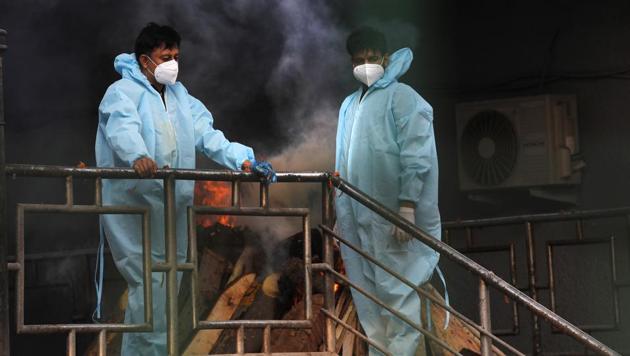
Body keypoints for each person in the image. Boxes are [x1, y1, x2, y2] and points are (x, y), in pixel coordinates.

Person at [95, 23, 275, 355]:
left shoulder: (180, 96)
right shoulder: (122, 93)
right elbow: (122, 128)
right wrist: (138, 156)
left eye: (176, 56)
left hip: (174, 208)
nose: (173, 63)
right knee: (148, 291)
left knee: (166, 289)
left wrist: (244, 160)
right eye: (166, 56)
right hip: (137, 210)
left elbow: (208, 136)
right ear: (145, 59)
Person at [334, 26, 442, 356]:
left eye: (372, 58)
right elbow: (343, 164)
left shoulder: (403, 98)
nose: (366, 65)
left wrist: (407, 205)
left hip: (393, 221)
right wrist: (341, 214)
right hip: (359, 221)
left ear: (385, 57)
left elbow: (417, 154)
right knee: (371, 307)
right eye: (359, 60)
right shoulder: (350, 105)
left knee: (398, 304)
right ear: (351, 63)